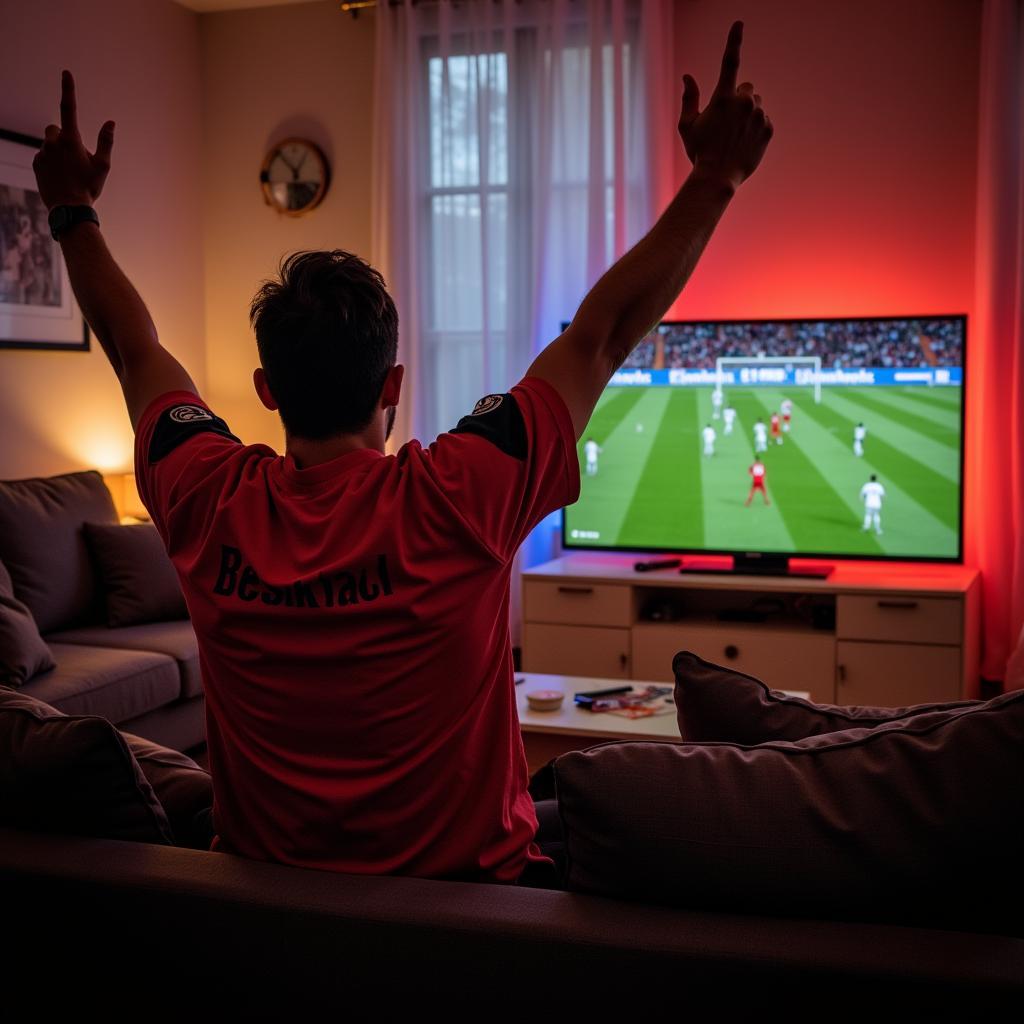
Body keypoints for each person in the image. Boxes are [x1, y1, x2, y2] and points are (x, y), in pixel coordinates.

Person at [30, 24, 771, 889]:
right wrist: (717, 178)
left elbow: (130, 344)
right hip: (475, 922)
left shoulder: (203, 494)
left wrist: (72, 216)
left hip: (259, 919)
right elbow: (599, 334)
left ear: (266, 390)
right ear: (395, 385)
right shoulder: (461, 489)